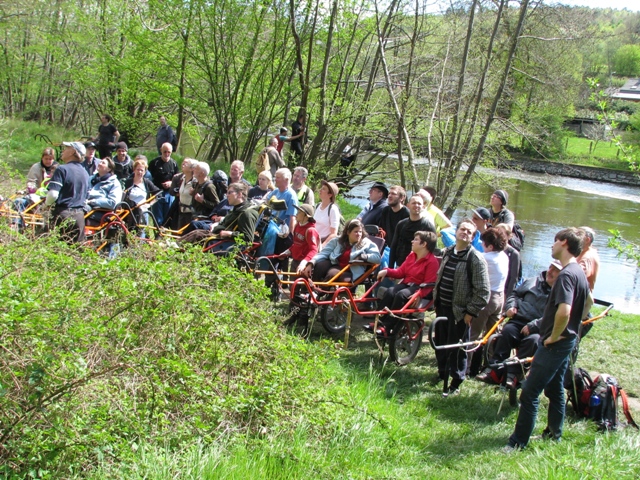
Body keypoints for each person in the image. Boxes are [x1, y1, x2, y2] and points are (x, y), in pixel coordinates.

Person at [505, 227, 590, 450]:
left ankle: (517, 443)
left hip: (557, 344)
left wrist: (553, 336)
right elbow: (585, 305)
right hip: (567, 341)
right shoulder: (578, 272)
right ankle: (554, 434)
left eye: (554, 242)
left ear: (563, 243)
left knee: (530, 392)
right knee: (554, 390)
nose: (551, 246)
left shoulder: (567, 275)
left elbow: (564, 311)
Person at [476, 260, 561, 387]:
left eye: (555, 270)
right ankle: (495, 370)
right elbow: (514, 294)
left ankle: (513, 374)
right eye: (550, 267)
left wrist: (534, 326)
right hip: (518, 320)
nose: (550, 271)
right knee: (506, 332)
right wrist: (511, 306)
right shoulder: (532, 281)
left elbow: (555, 316)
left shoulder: (561, 292)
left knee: (533, 341)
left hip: (540, 329)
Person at [433, 219, 490, 397]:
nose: (464, 233)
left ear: (473, 238)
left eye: (469, 232)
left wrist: (470, 312)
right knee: (440, 343)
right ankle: (442, 373)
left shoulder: (475, 258)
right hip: (442, 306)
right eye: (462, 229)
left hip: (459, 312)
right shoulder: (448, 252)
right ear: (456, 232)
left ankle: (456, 381)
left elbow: (483, 291)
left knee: (456, 349)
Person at [368, 231, 439, 336]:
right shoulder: (412, 256)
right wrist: (387, 271)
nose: (412, 241)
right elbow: (401, 272)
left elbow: (430, 284)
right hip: (407, 284)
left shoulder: (432, 262)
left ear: (424, 244)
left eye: (416, 240)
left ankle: (387, 327)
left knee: (401, 295)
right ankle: (378, 321)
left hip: (419, 287)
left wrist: (419, 294)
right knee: (390, 291)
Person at [467, 228, 509, 377]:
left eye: (484, 244)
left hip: (486, 299)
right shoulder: (504, 256)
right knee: (493, 333)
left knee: (473, 334)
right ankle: (491, 366)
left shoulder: (486, 258)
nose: (482, 246)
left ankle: (467, 367)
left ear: (490, 246)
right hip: (499, 297)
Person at [302, 219, 381, 283]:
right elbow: (324, 253)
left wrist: (364, 256)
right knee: (319, 266)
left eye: (360, 232)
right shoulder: (338, 240)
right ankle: (308, 290)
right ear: (348, 232)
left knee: (332, 274)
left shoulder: (366, 243)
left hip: (352, 269)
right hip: (336, 264)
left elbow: (377, 258)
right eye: (356, 231)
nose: (358, 234)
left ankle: (318, 293)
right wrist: (311, 263)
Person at [45, 142, 90, 243]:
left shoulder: (62, 169)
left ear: (73, 152)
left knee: (55, 251)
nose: (63, 150)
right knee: (75, 251)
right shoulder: (85, 173)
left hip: (62, 215)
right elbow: (86, 198)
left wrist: (46, 205)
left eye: (66, 148)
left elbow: (53, 194)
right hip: (79, 217)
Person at [388, 195, 436, 269]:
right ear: (408, 206)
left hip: (418, 267)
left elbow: (432, 249)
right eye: (413, 203)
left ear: (423, 207)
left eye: (419, 203)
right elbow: (394, 246)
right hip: (400, 265)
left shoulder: (428, 226)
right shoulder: (401, 224)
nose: (416, 205)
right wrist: (390, 267)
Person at [279, 204, 320, 274]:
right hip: (295, 261)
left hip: (305, 265)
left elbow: (314, 250)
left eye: (299, 212)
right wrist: (287, 252)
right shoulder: (297, 226)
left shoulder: (310, 231)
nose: (296, 214)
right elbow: (296, 244)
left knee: (302, 284)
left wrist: (304, 263)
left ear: (306, 216)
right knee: (292, 284)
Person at [123, 158, 161, 232]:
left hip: (143, 213)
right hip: (129, 213)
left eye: (142, 170)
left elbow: (158, 194)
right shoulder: (128, 182)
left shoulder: (147, 182)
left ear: (145, 172)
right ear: (134, 170)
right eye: (138, 169)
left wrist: (149, 204)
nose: (139, 172)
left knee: (141, 234)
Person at [183, 161, 220, 233]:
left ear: (202, 173)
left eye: (196, 169)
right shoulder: (198, 183)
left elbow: (217, 205)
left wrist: (203, 201)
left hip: (203, 219)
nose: (193, 170)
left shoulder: (209, 187)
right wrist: (193, 194)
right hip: (195, 215)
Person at [85, 157, 123, 224]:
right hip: (85, 204)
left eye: (103, 163)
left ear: (109, 169)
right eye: (100, 162)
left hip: (100, 210)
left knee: (79, 212)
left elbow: (113, 202)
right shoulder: (91, 179)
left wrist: (92, 201)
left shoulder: (114, 183)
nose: (99, 163)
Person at [149, 142, 179, 226]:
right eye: (165, 151)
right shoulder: (154, 163)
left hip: (169, 193)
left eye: (168, 152)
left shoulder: (174, 164)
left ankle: (165, 233)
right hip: (157, 192)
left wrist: (171, 183)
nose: (166, 154)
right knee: (157, 217)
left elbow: (178, 178)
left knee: (168, 216)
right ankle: (157, 234)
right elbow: (148, 178)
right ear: (161, 150)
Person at [495, 223, 522, 299]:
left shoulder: (514, 254)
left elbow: (514, 279)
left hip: (504, 291)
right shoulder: (492, 250)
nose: (498, 237)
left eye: (501, 234)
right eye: (496, 233)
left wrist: (507, 297)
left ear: (509, 236)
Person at [169, 157, 196, 230]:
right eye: (183, 162)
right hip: (181, 212)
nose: (183, 164)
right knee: (179, 234)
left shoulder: (195, 182)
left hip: (191, 214)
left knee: (187, 234)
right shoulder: (182, 179)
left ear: (191, 169)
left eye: (186, 163)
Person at [313, 180, 341, 246]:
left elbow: (333, 234)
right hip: (313, 240)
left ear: (330, 195)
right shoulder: (318, 205)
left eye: (323, 189)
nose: (320, 190)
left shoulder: (333, 209)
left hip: (323, 243)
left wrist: (322, 246)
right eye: (321, 188)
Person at [576, 226, 600, 292]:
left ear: (587, 240)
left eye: (578, 235)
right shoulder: (585, 252)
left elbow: (577, 276)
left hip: (580, 298)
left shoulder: (588, 257)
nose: (574, 238)